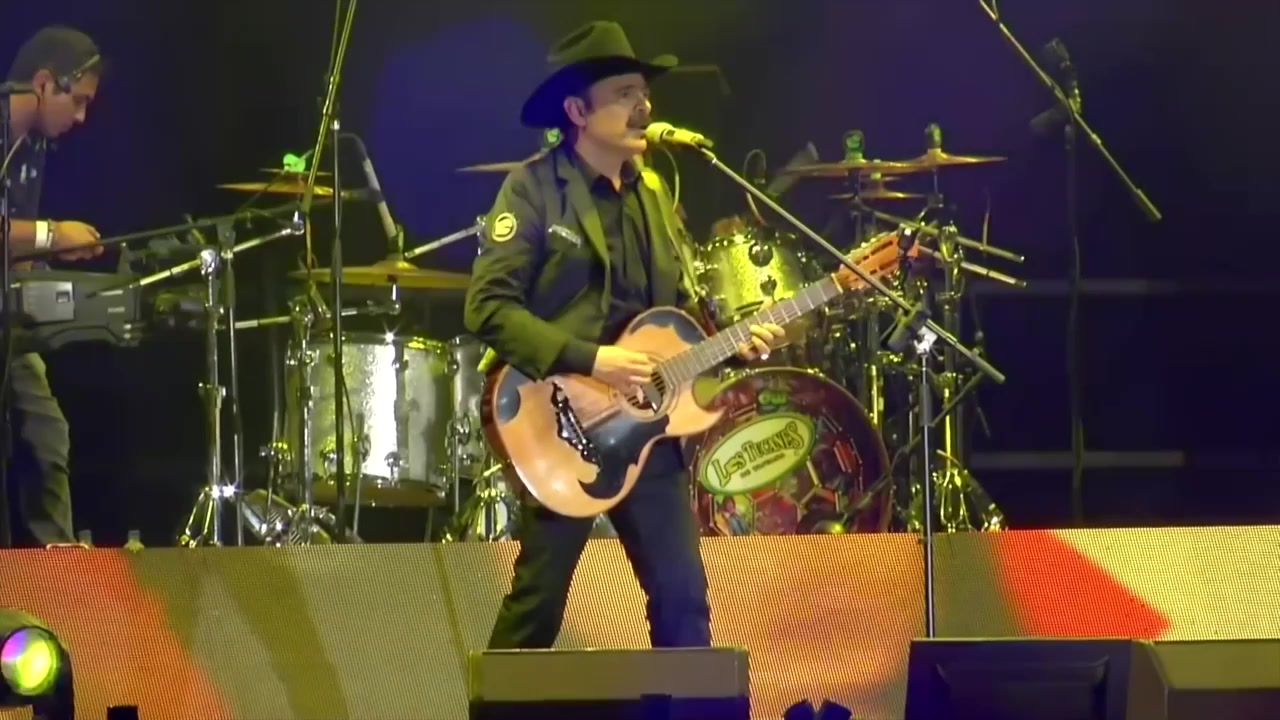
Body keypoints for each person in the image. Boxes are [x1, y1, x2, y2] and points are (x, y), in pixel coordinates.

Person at [464, 21, 787, 649]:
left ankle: (683, 701)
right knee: (538, 605)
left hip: (646, 432)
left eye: (644, 92)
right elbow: (487, 307)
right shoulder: (533, 190)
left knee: (683, 600)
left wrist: (733, 343)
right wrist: (592, 360)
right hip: (562, 421)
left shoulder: (654, 194)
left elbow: (677, 315)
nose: (644, 106)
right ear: (577, 111)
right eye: (625, 93)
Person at [2, 26, 105, 547]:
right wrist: (51, 234)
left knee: (46, 434)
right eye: (78, 100)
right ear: (45, 83)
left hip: (7, 319)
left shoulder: (34, 146)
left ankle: (56, 573)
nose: (81, 117)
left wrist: (48, 262)